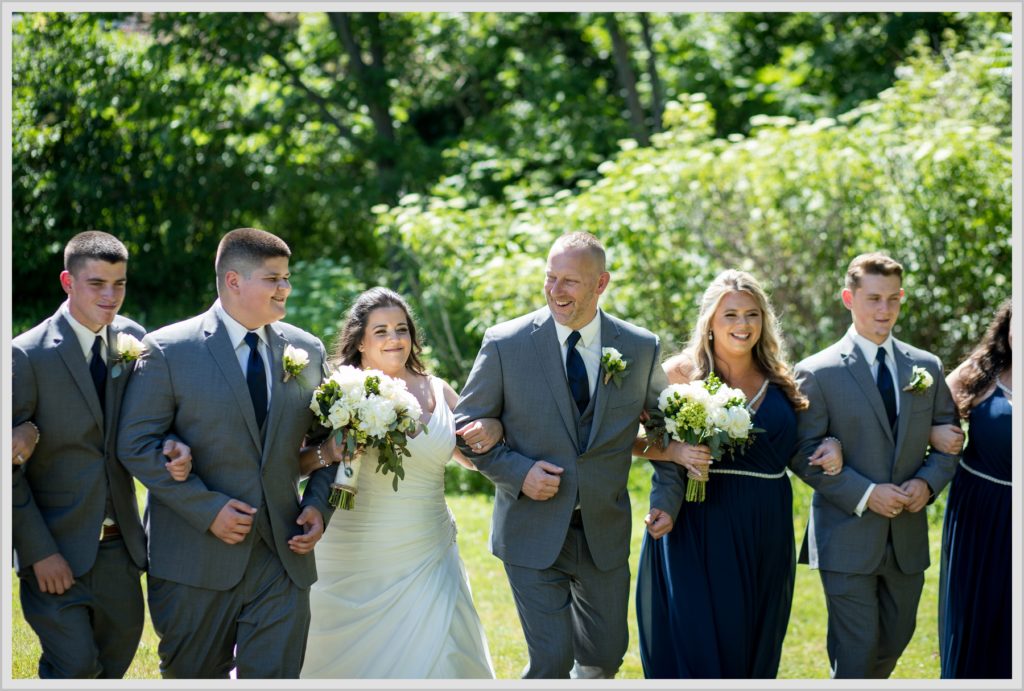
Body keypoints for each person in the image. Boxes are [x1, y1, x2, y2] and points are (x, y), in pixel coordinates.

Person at [454, 231, 686, 679]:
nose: (555, 291)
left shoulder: (639, 347)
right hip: (530, 528)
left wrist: (666, 501)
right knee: (551, 660)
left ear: (601, 284)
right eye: (550, 278)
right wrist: (518, 473)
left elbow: (667, 432)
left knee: (606, 655)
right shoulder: (505, 343)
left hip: (604, 529)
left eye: (570, 282)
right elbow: (468, 432)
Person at [116, 227, 335, 678]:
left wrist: (317, 505)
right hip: (195, 559)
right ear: (234, 281)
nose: (285, 288)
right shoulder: (169, 349)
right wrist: (208, 509)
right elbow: (134, 444)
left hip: (282, 557)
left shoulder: (306, 349)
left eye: (287, 277)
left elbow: (332, 442)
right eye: (273, 278)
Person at [632, 269, 843, 678]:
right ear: (710, 320)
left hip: (765, 526)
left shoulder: (782, 380)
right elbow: (630, 438)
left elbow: (798, 450)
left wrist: (832, 444)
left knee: (753, 640)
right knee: (699, 639)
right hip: (697, 523)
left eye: (752, 314)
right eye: (730, 315)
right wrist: (676, 451)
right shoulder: (680, 374)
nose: (742, 325)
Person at [11, 230, 189, 678]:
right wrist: (37, 552)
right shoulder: (26, 355)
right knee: (73, 668)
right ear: (68, 282)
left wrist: (173, 443)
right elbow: (7, 467)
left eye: (120, 284)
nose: (111, 297)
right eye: (97, 284)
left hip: (121, 551)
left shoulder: (134, 338)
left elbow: (152, 422)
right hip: (56, 548)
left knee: (114, 665)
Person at [295, 287, 498, 679]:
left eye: (401, 329)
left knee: (443, 657)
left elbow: (474, 458)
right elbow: (302, 463)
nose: (394, 340)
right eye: (382, 331)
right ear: (361, 341)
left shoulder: (439, 390)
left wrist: (493, 427)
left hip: (429, 550)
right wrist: (331, 452)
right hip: (356, 549)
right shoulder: (338, 392)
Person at [792, 252, 960, 678]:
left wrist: (927, 484)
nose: (884, 310)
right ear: (849, 298)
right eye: (872, 299)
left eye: (892, 299)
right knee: (857, 648)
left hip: (906, 535)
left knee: (897, 637)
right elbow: (802, 452)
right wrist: (867, 494)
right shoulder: (817, 371)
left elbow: (948, 437)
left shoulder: (926, 366)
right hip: (846, 536)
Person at [935, 298, 1013, 678]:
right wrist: (936, 431)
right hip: (978, 513)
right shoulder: (982, 372)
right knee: (974, 615)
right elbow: (926, 413)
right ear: (1007, 326)